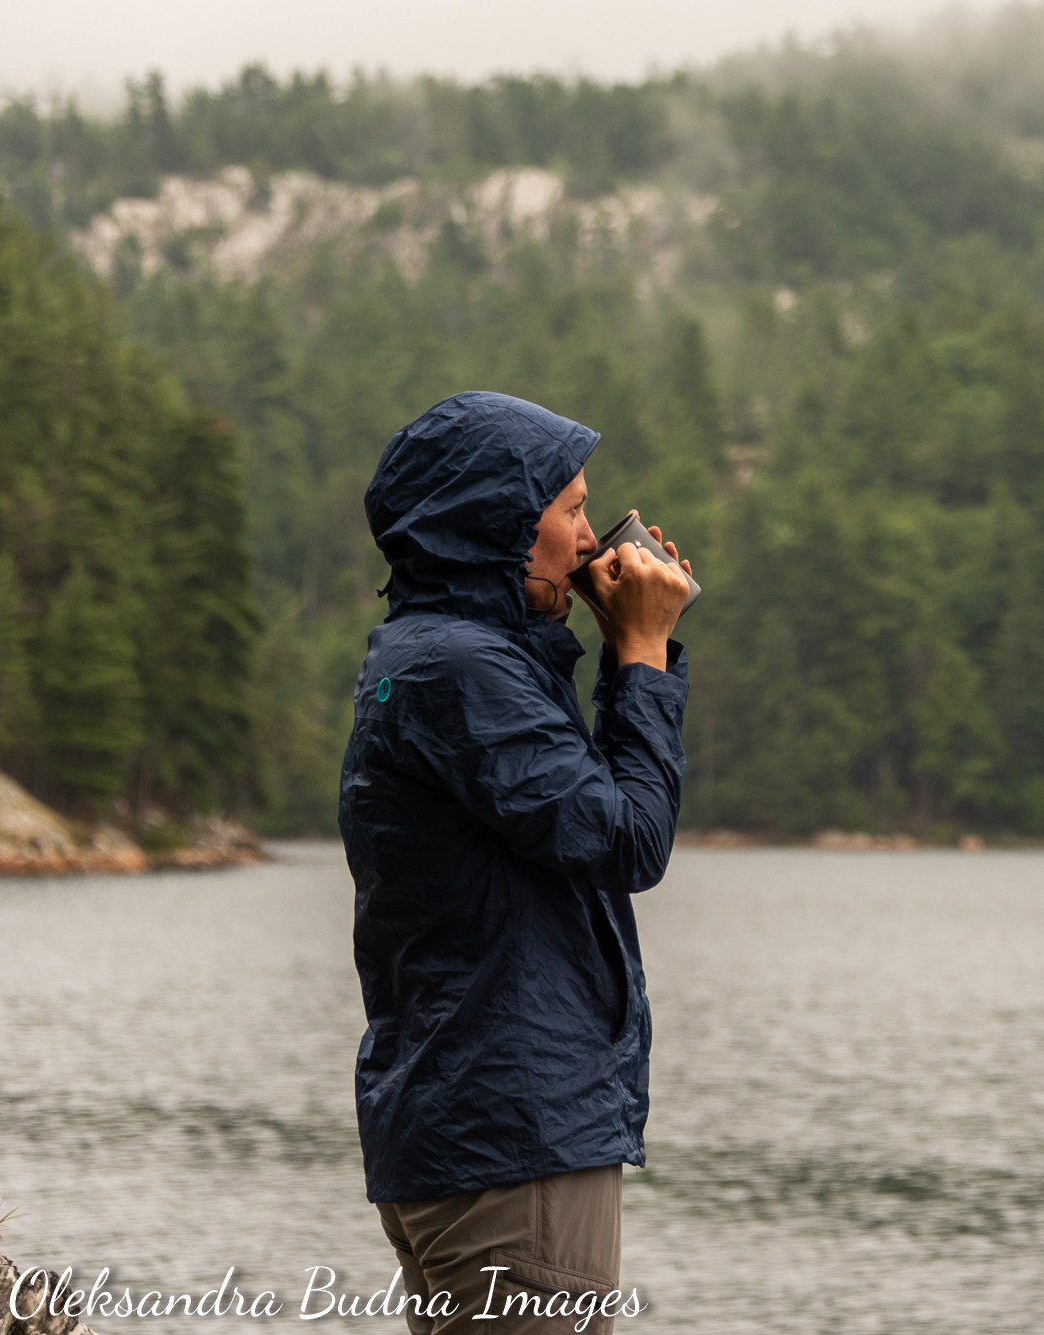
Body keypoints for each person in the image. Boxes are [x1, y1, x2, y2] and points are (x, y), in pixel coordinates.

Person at [339, 391, 694, 1333]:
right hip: (514, 1138)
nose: (587, 539)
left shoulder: (432, 655)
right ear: (498, 525)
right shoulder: (466, 672)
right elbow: (630, 839)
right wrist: (643, 652)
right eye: (571, 509)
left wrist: (625, 650)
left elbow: (584, 822)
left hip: (467, 1126)